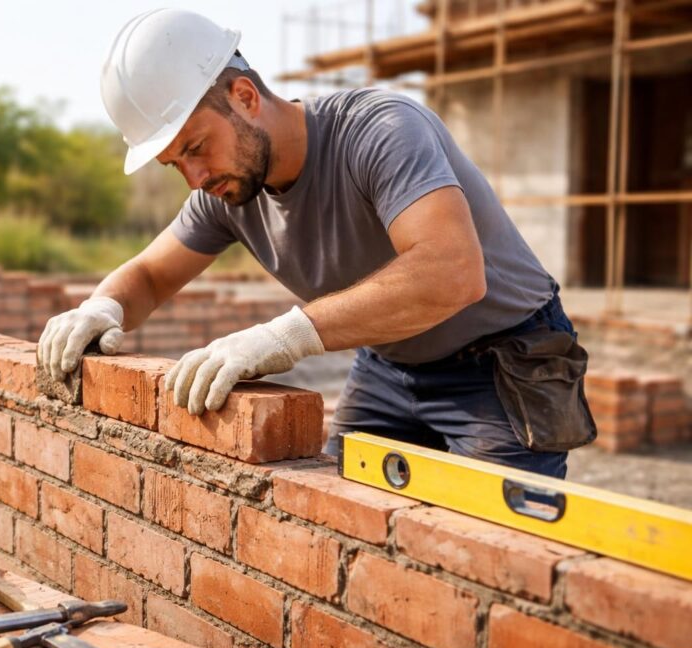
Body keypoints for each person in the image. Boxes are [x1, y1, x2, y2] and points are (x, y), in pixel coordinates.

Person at [37, 8, 595, 477]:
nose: (195, 177)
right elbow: (151, 276)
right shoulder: (230, 189)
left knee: (493, 555)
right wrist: (101, 306)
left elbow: (452, 273)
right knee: (343, 526)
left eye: (197, 146)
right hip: (389, 362)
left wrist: (285, 336)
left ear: (245, 96)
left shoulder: (378, 131)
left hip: (502, 362)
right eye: (175, 162)